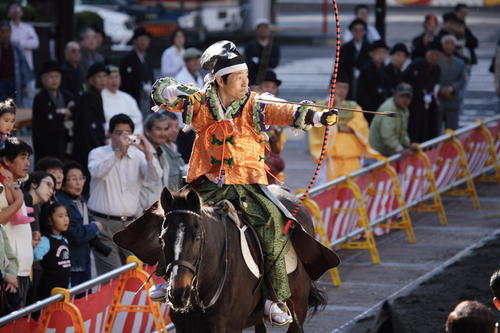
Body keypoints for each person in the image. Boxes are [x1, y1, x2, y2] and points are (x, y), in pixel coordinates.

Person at [150, 40, 337, 326]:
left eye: (246, 78)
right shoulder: (200, 102)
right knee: (174, 222)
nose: (245, 83)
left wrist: (316, 114)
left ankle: (274, 296)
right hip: (206, 182)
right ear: (221, 81)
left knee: (272, 226)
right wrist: (173, 90)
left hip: (247, 184)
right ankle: (169, 278)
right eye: (239, 78)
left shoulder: (255, 104)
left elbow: (285, 110)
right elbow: (163, 93)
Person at [87, 114, 161, 275]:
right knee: (112, 275)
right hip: (103, 224)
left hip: (131, 225)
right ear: (110, 133)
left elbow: (154, 177)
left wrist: (149, 154)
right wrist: (119, 153)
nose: (123, 137)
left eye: (127, 133)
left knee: (136, 273)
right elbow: (98, 172)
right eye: (119, 133)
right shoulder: (97, 153)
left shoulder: (139, 156)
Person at [310, 74, 381, 181]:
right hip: (331, 159)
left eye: (345, 88)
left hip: (352, 157)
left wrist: (338, 127)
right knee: (329, 191)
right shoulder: (319, 106)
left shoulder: (353, 106)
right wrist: (335, 113)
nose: (342, 91)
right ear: (331, 88)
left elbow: (361, 126)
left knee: (351, 191)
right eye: (339, 87)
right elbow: (320, 125)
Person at [56, 161, 105, 286]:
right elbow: (74, 235)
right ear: (63, 183)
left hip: (83, 261)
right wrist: (94, 227)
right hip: (70, 263)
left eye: (81, 178)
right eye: (73, 179)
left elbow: (89, 219)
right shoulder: (61, 204)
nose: (78, 183)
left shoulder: (80, 200)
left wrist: (92, 226)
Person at [0, 138, 36, 308]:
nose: (27, 163)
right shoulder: (2, 187)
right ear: (6, 160)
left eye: (28, 158)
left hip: (23, 271)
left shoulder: (14, 186)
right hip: (9, 274)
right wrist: (19, 201)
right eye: (22, 157)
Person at [32, 61, 74, 162]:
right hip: (47, 142)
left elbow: (74, 110)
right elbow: (48, 118)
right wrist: (64, 114)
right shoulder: (40, 98)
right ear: (44, 79)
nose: (54, 80)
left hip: (65, 140)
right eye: (51, 77)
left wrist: (61, 114)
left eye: (57, 76)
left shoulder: (66, 95)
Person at [403, 41, 442, 143]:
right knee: (414, 133)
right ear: (427, 53)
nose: (435, 57)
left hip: (428, 107)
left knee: (428, 133)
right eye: (432, 54)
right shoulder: (416, 64)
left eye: (437, 55)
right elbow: (404, 80)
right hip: (414, 105)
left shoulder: (437, 69)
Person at [72, 63, 108, 173]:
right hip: (88, 146)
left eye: (104, 76)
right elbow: (88, 126)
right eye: (99, 76)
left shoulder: (98, 95)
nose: (102, 80)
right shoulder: (88, 96)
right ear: (91, 80)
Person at [33, 202, 71, 300]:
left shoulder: (64, 240)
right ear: (50, 220)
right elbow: (35, 256)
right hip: (49, 290)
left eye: (66, 215)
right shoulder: (46, 240)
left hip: (63, 289)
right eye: (60, 216)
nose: (65, 219)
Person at [369, 83, 418, 157]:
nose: (405, 100)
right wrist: (401, 150)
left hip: (388, 152)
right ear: (395, 95)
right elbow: (387, 135)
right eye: (402, 96)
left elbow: (402, 132)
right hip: (376, 153)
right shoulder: (389, 109)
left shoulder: (404, 109)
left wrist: (408, 145)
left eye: (408, 97)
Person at [174, 48, 203, 163]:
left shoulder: (198, 76)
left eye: (197, 59)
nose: (195, 62)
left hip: (195, 125)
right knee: (187, 159)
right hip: (184, 126)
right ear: (186, 62)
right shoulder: (181, 78)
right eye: (192, 60)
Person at [259, 70, 287, 184]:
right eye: (266, 86)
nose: (270, 90)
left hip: (271, 168)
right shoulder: (252, 108)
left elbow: (278, 149)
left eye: (273, 87)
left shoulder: (279, 112)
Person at [119, 27, 154, 117]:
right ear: (135, 41)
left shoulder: (147, 58)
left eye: (146, 39)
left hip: (147, 97)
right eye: (141, 39)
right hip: (133, 97)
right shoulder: (128, 59)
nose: (144, 42)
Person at [140, 113, 170, 210]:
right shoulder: (140, 152)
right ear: (147, 131)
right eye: (158, 129)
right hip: (141, 214)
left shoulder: (163, 152)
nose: (163, 133)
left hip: (158, 212)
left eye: (165, 129)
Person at [101, 65, 143, 134]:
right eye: (110, 77)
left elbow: (138, 118)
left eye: (116, 77)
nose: (114, 81)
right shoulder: (100, 97)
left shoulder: (127, 98)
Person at [0, 21, 33, 107]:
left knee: (14, 108)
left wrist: (24, 85)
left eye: (7, 31)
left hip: (14, 82)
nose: (5, 34)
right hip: (1, 82)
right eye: (2, 31)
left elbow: (23, 67)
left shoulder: (16, 49)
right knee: (3, 109)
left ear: (10, 33)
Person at [356, 40, 389, 123]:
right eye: (378, 53)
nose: (381, 56)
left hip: (385, 111)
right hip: (369, 113)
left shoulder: (387, 70)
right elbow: (362, 95)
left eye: (384, 53)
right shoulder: (365, 71)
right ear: (371, 54)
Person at [438, 34, 466, 131]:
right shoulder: (437, 60)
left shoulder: (460, 63)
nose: (449, 46)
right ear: (442, 45)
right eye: (446, 44)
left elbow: (462, 81)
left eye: (451, 44)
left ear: (455, 46)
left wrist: (451, 89)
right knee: (436, 132)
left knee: (452, 132)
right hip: (438, 101)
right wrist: (441, 90)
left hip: (453, 100)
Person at [339, 19, 371, 100]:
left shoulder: (370, 48)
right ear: (351, 31)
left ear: (364, 32)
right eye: (355, 30)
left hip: (365, 82)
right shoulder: (344, 48)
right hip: (348, 81)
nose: (358, 33)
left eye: (361, 30)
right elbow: (339, 67)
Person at [244, 18, 281, 87]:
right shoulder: (251, 45)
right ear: (257, 30)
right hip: (253, 77)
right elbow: (247, 62)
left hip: (269, 76)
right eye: (261, 28)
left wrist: (259, 61)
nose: (263, 30)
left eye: (266, 28)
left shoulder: (274, 46)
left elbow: (274, 63)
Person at [7, 1, 39, 71]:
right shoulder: (5, 28)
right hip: (10, 65)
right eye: (13, 10)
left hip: (27, 64)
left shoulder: (28, 28)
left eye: (18, 10)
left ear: (22, 13)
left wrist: (20, 43)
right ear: (8, 14)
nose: (16, 12)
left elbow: (35, 43)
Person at [162, 112, 185, 191]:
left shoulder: (174, 148)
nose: (175, 130)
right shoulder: (158, 151)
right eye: (169, 127)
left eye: (176, 126)